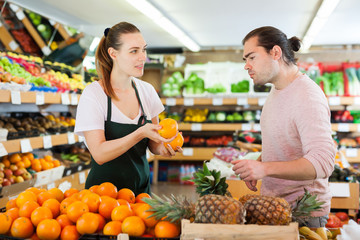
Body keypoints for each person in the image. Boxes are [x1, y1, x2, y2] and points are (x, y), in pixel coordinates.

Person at [232, 26, 335, 227]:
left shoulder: (307, 95)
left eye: (251, 57)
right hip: (276, 208)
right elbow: (286, 144)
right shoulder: (277, 91)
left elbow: (323, 163)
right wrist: (258, 164)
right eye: (245, 60)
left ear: (275, 53)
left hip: (302, 215)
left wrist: (265, 168)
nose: (246, 66)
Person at [74, 22, 181, 195]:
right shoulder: (94, 94)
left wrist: (165, 148)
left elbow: (154, 144)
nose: (142, 57)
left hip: (140, 194)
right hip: (101, 200)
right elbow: (99, 154)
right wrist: (140, 133)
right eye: (134, 51)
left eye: (144, 50)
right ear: (113, 53)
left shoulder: (147, 92)